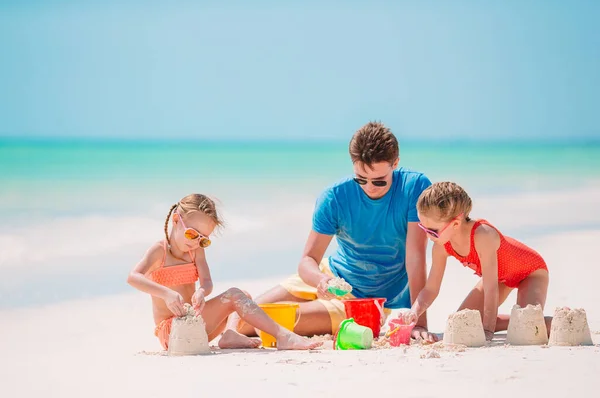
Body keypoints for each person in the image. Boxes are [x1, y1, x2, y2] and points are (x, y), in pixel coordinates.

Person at [233, 121, 435, 341]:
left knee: (264, 323)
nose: (369, 187)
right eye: (360, 179)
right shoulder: (335, 196)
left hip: (361, 301)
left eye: (379, 181)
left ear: (395, 163)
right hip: (330, 275)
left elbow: (415, 256)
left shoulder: (414, 187)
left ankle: (315, 312)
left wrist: (419, 322)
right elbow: (307, 260)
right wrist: (322, 281)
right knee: (244, 316)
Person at [127, 193, 321, 350]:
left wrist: (202, 292)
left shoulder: (195, 252)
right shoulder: (159, 251)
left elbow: (207, 282)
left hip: (194, 324)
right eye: (192, 234)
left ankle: (229, 334)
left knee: (243, 295)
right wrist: (166, 293)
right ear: (176, 220)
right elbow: (133, 277)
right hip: (173, 332)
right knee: (235, 296)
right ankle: (283, 336)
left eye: (203, 239)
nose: (195, 242)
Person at [401, 181, 550, 340]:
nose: (428, 236)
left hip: (530, 271)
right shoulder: (441, 246)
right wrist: (414, 311)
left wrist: (488, 330)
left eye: (432, 231)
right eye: (423, 228)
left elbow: (491, 288)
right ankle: (514, 322)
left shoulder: (483, 235)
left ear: (456, 223)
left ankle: (563, 320)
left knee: (527, 326)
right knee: (462, 323)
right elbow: (431, 289)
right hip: (500, 277)